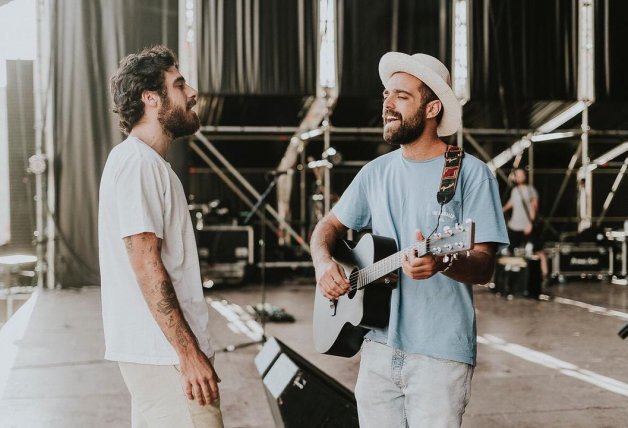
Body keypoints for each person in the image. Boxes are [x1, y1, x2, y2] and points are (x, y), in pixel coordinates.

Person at [310, 52, 509, 428]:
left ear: (432, 107)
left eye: (401, 96)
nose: (386, 103)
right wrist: (324, 263)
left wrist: (445, 262)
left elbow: (484, 265)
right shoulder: (375, 173)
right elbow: (327, 229)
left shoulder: (471, 174)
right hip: (377, 346)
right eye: (386, 94)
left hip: (439, 355)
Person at [99, 46, 224, 428]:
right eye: (180, 84)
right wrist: (188, 355)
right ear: (151, 98)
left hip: (161, 355)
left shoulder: (148, 164)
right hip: (165, 357)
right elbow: (147, 266)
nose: (192, 93)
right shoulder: (138, 163)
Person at [502, 167, 549, 280]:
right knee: (507, 250)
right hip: (514, 225)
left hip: (526, 225)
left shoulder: (531, 190)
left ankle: (545, 275)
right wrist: (501, 210)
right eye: (517, 175)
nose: (520, 176)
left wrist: (530, 223)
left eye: (521, 174)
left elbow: (534, 208)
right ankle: (509, 277)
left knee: (537, 251)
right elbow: (511, 203)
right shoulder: (514, 191)